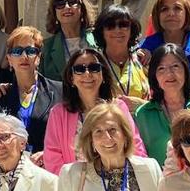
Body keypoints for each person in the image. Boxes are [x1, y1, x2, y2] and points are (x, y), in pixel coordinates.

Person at [43, 47, 146, 175]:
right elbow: (52, 158)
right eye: (79, 69)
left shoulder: (119, 107)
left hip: (116, 183)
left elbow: (135, 147)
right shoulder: (58, 113)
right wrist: (69, 185)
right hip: (76, 188)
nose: (87, 74)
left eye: (94, 68)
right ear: (71, 78)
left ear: (103, 74)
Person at [0, 25, 61, 159]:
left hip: (46, 169)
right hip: (10, 170)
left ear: (38, 57)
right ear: (9, 59)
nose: (24, 56)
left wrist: (48, 155)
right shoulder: (1, 95)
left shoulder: (59, 92)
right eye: (17, 51)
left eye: (30, 51)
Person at [134, 44, 190, 166]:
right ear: (154, 76)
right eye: (161, 69)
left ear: (186, 70)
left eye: (175, 66)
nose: (169, 74)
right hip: (158, 183)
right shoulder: (143, 114)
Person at [39, 0, 98, 81]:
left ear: (82, 9)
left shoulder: (99, 41)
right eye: (60, 4)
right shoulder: (45, 48)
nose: (66, 7)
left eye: (73, 2)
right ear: (54, 12)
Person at [96, 4, 150, 105]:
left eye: (123, 25)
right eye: (110, 26)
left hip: (141, 119)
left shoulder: (143, 62)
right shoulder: (94, 64)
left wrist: (141, 105)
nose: (117, 30)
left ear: (131, 30)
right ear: (101, 31)